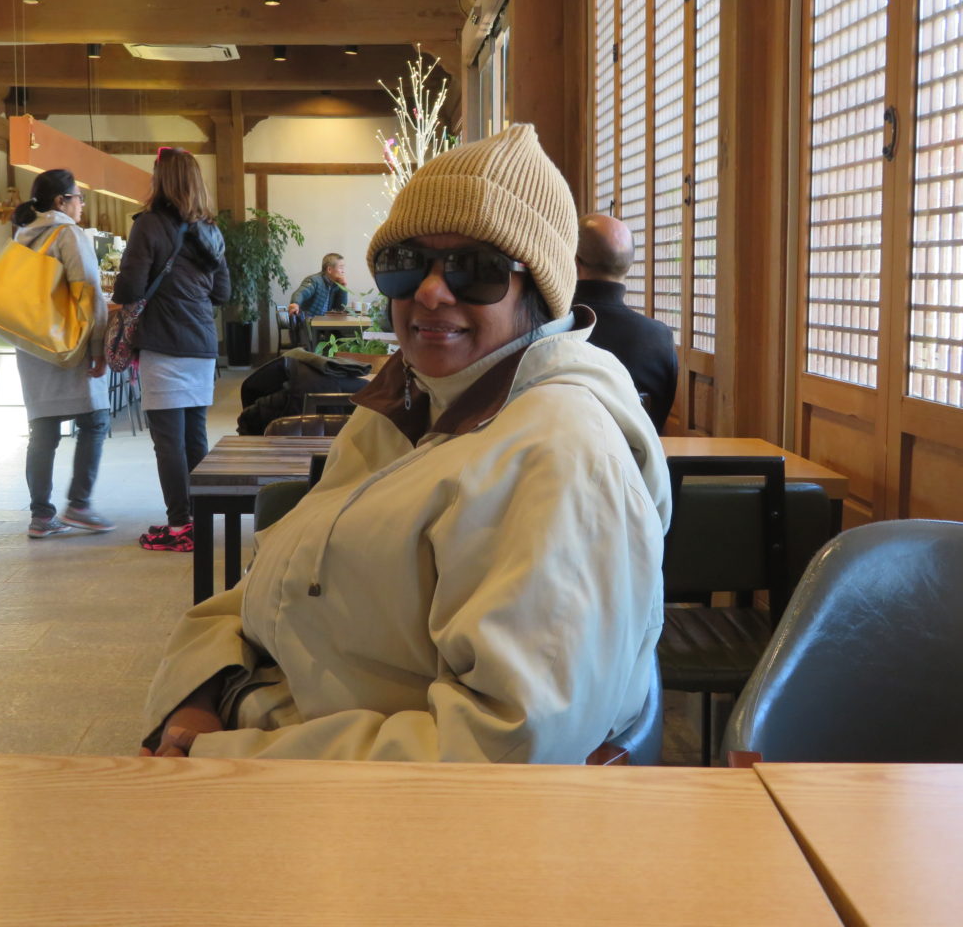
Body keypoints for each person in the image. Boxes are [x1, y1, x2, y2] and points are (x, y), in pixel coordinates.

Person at [140, 123, 670, 764]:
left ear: (540, 290)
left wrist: (232, 758)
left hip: (372, 821)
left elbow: (506, 746)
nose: (429, 291)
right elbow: (268, 589)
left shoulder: (559, 458)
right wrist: (202, 690)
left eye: (475, 270)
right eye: (404, 264)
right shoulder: (404, 407)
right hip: (280, 751)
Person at [112, 146, 230, 552]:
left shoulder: (149, 225)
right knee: (195, 435)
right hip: (200, 344)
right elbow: (223, 292)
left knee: (168, 441)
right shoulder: (211, 230)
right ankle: (199, 519)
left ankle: (180, 527)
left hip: (163, 344)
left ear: (161, 180)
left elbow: (128, 288)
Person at [10, 170, 114, 539]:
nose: (82, 204)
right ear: (61, 201)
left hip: (31, 343)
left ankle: (41, 516)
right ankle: (80, 505)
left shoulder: (23, 234)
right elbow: (89, 294)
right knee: (96, 420)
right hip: (68, 343)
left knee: (42, 431)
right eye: (79, 197)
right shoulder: (67, 232)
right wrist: (99, 348)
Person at [574, 214, 678, 433]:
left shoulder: (550, 325)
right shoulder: (659, 337)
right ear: (629, 265)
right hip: (639, 465)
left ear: (574, 262)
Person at [287, 252, 347, 317]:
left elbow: (340, 309)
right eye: (341, 268)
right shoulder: (314, 280)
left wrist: (343, 287)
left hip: (324, 324)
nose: (343, 271)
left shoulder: (336, 285)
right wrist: (295, 303)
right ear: (329, 269)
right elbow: (301, 293)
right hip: (308, 324)